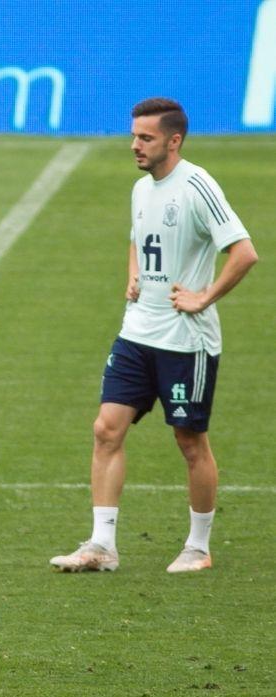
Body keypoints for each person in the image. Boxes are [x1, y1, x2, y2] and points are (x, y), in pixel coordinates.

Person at [50, 98, 259, 574]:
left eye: (145, 138)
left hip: (186, 342)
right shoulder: (141, 189)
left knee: (190, 441)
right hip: (137, 332)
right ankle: (102, 545)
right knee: (106, 429)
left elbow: (244, 252)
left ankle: (198, 547)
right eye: (134, 136)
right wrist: (134, 274)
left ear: (174, 140)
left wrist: (204, 297)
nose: (134, 146)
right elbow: (136, 237)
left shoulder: (197, 185)